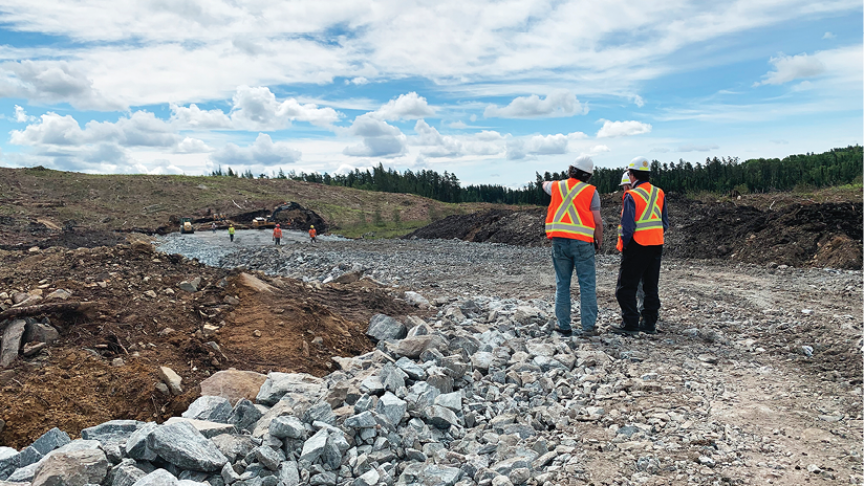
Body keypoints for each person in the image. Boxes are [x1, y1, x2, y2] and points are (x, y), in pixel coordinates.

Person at [543, 155, 603, 337]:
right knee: (587, 284)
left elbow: (544, 184)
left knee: (562, 284)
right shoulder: (591, 192)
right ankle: (588, 327)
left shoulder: (557, 187)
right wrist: (598, 240)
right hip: (583, 243)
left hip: (559, 242)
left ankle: (564, 326)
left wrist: (555, 182)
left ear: (571, 170)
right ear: (588, 176)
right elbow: (598, 222)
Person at [612, 156, 669, 335]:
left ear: (632, 175)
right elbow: (664, 222)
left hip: (637, 245)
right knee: (650, 286)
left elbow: (628, 227)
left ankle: (630, 323)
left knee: (625, 287)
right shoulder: (659, 192)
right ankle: (649, 323)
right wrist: (654, 235)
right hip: (656, 243)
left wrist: (626, 246)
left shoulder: (632, 195)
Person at [616, 171, 645, 313]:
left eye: (624, 186)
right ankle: (644, 309)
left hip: (634, 245)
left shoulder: (631, 198)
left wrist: (625, 244)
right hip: (646, 244)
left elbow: (627, 227)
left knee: (633, 281)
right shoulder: (644, 198)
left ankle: (637, 311)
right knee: (644, 279)